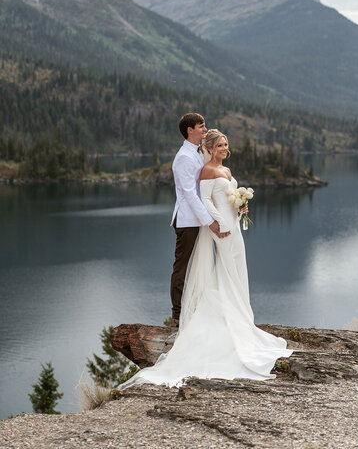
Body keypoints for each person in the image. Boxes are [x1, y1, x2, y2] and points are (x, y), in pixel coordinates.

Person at [118, 128, 293, 390]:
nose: (224, 148)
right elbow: (205, 200)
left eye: (226, 144)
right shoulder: (207, 171)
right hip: (221, 228)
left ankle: (242, 315)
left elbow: (228, 197)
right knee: (224, 268)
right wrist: (218, 222)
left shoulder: (228, 171)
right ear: (210, 148)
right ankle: (228, 317)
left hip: (233, 225)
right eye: (220, 145)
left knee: (237, 267)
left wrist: (240, 206)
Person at [169, 113, 229, 328]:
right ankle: (177, 315)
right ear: (189, 130)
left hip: (199, 218)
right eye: (201, 127)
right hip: (188, 220)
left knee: (197, 266)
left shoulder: (198, 152)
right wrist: (209, 221)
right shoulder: (183, 157)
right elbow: (189, 193)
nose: (205, 130)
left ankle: (196, 308)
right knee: (183, 267)